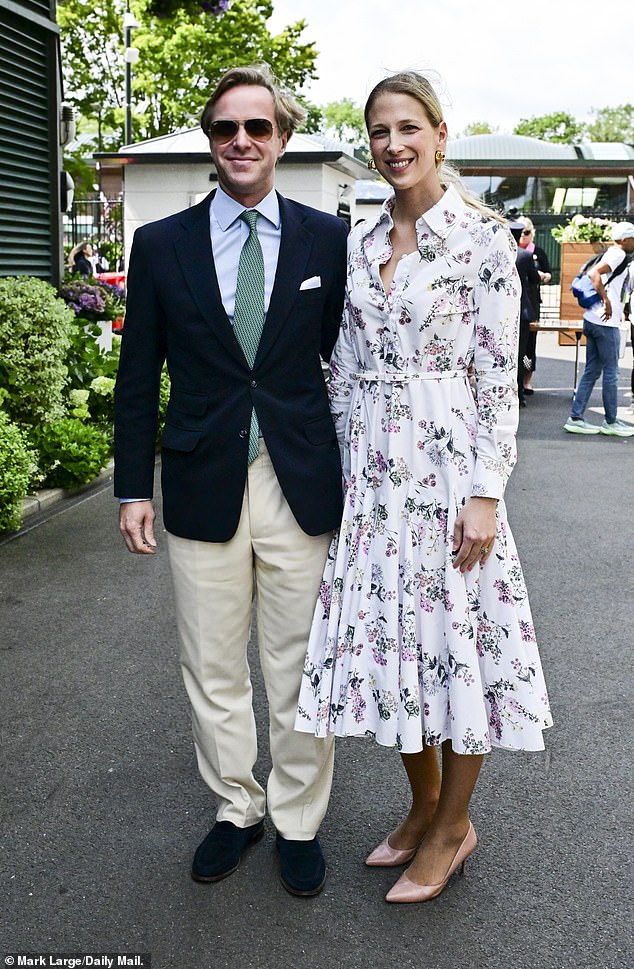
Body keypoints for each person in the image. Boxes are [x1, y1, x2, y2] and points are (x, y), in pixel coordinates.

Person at [295, 71, 552, 904]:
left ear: (441, 134)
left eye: (408, 126)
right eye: (378, 131)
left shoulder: (483, 242)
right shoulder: (360, 241)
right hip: (374, 477)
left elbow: (494, 379)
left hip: (450, 479)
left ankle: (453, 828)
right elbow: (343, 366)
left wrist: (486, 491)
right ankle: (423, 803)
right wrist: (336, 464)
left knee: (456, 646)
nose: (393, 143)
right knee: (393, 642)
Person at [114, 64, 348, 897]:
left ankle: (296, 818)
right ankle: (236, 806)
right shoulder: (161, 244)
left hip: (300, 480)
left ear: (282, 138)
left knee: (295, 663)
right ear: (210, 143)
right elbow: (138, 370)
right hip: (201, 478)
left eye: (257, 127)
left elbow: (345, 362)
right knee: (212, 663)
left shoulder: (329, 239)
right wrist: (131, 486)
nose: (241, 141)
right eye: (225, 129)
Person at [563, 221, 634, 436]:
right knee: (611, 372)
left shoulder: (612, 252)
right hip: (605, 322)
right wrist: (607, 301)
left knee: (592, 370)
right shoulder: (619, 254)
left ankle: (576, 417)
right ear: (625, 239)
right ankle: (611, 422)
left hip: (593, 319)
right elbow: (595, 274)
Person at [516, 216, 552, 394]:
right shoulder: (511, 251)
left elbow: (548, 274)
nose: (523, 236)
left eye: (527, 232)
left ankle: (526, 379)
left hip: (531, 303)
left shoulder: (538, 252)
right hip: (516, 302)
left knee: (529, 344)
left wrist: (541, 275)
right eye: (520, 232)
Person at [509, 221, 541, 407]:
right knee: (522, 354)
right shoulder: (525, 255)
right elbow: (535, 279)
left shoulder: (497, 253)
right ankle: (519, 393)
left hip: (503, 312)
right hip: (522, 311)